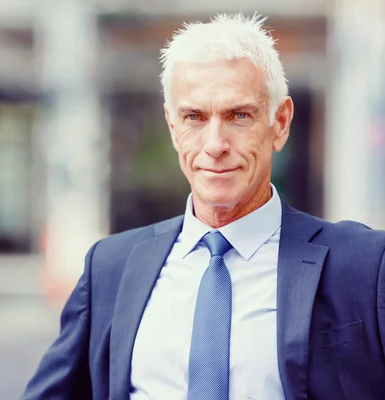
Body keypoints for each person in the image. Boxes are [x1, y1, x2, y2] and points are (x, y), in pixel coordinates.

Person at [21, 13, 385, 400]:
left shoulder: (364, 264)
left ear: (280, 123)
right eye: (194, 117)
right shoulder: (110, 267)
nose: (215, 144)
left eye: (238, 115)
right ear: (173, 127)